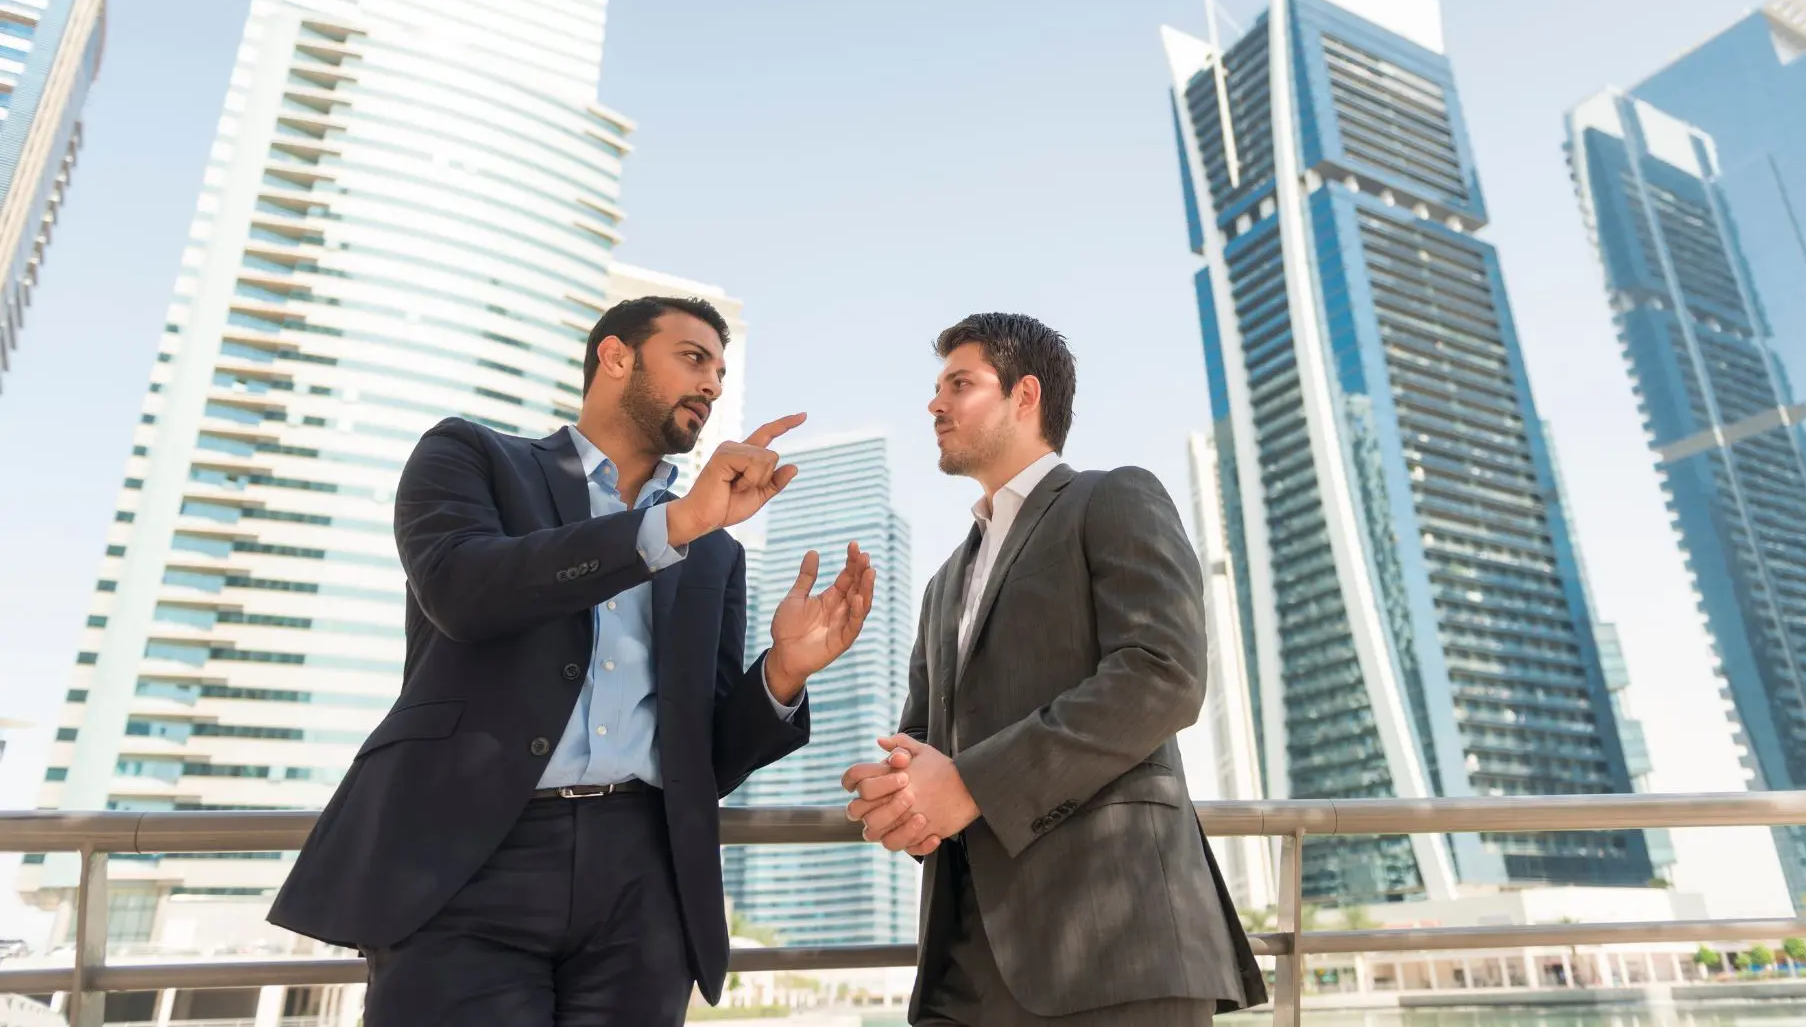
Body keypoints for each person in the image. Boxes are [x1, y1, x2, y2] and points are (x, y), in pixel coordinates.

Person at [269, 295, 875, 1026]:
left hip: (644, 883)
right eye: (693, 358)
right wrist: (671, 525)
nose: (712, 384)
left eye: (720, 370)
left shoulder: (715, 551)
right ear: (615, 357)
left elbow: (704, 760)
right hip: (467, 860)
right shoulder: (472, 456)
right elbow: (462, 592)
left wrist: (783, 672)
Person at [840, 312, 1266, 1026]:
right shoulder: (943, 582)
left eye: (959, 384)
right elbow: (927, 745)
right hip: (962, 965)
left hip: (1115, 951)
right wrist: (900, 794)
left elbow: (1162, 674)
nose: (934, 404)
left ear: (1025, 395)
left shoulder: (1113, 497)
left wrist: (970, 785)